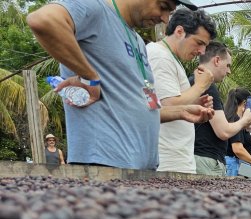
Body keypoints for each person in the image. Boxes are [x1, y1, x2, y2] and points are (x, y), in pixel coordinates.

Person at [26, 0, 214, 170]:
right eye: (163, 7)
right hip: (102, 163)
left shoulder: (139, 42)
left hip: (141, 167)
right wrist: (89, 76)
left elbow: (149, 104)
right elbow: (43, 20)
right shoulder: (97, 9)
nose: (165, 19)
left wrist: (181, 112)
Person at [147, 6, 215, 174]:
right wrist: (200, 86)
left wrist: (195, 101)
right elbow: (169, 105)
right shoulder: (160, 56)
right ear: (179, 31)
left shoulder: (170, 58)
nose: (202, 51)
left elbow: (164, 103)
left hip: (176, 158)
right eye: (199, 43)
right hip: (167, 161)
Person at [191, 41, 251, 176]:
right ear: (217, 60)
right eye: (227, 65)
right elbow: (223, 132)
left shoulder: (192, 81)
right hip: (206, 161)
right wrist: (245, 120)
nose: (229, 71)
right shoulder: (207, 86)